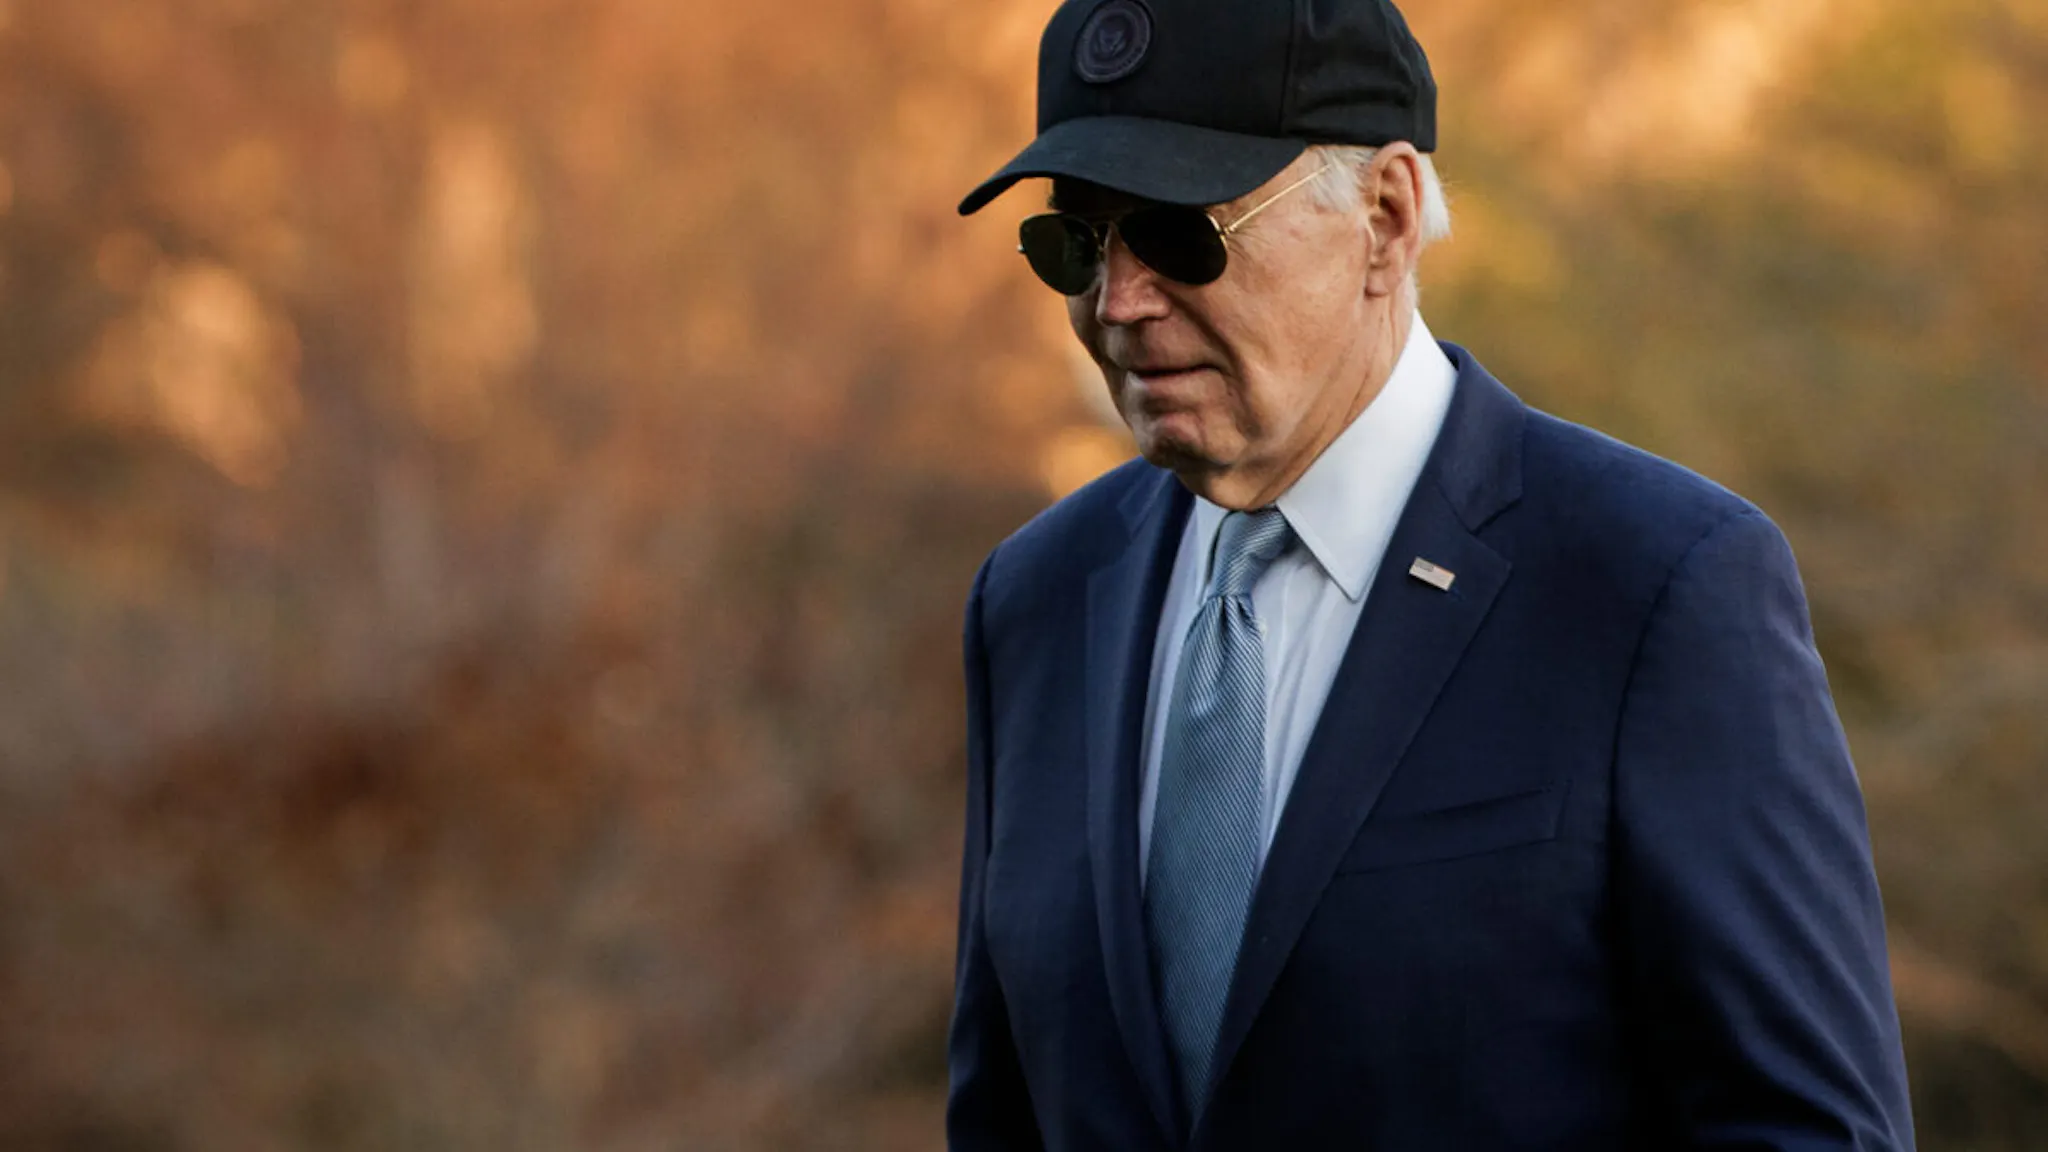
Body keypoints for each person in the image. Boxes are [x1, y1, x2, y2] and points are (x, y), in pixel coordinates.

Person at [944, 0, 1917, 1148]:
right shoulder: (1039, 599)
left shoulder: (1653, 589)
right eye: (1073, 242)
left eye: (1177, 234)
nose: (1118, 304)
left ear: (1385, 216)